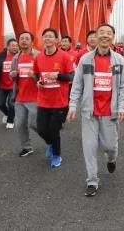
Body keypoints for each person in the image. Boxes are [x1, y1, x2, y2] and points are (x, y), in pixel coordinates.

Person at [68, 24, 124, 197]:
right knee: (89, 147)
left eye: (108, 33)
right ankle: (92, 181)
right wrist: (73, 105)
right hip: (89, 112)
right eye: (101, 32)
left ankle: (111, 158)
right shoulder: (86, 59)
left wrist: (122, 107)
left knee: (110, 146)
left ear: (113, 38)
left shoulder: (119, 61)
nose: (105, 36)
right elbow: (77, 84)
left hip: (110, 112)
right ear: (95, 36)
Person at [32, 28, 75, 168]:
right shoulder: (38, 57)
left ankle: (57, 155)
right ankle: (50, 143)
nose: (48, 39)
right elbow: (36, 74)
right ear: (42, 39)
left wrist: (58, 76)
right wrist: (37, 81)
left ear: (56, 40)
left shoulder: (64, 57)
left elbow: (71, 76)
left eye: (51, 36)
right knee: (41, 129)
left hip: (59, 101)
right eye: (45, 36)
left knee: (54, 129)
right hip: (43, 99)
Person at [10, 31, 39, 157]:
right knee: (20, 124)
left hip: (36, 96)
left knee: (34, 123)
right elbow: (12, 74)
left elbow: (44, 74)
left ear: (31, 41)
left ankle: (51, 139)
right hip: (20, 96)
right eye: (21, 38)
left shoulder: (38, 56)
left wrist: (35, 76)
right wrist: (12, 75)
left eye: (27, 38)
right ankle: (27, 147)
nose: (23, 41)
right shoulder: (16, 57)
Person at [0, 39, 19, 129]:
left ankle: (10, 120)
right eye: (13, 45)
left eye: (16, 45)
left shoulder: (19, 56)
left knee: (11, 103)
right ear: (8, 46)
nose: (15, 47)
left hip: (13, 85)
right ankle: (8, 114)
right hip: (1, 85)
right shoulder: (0, 55)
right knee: (0, 104)